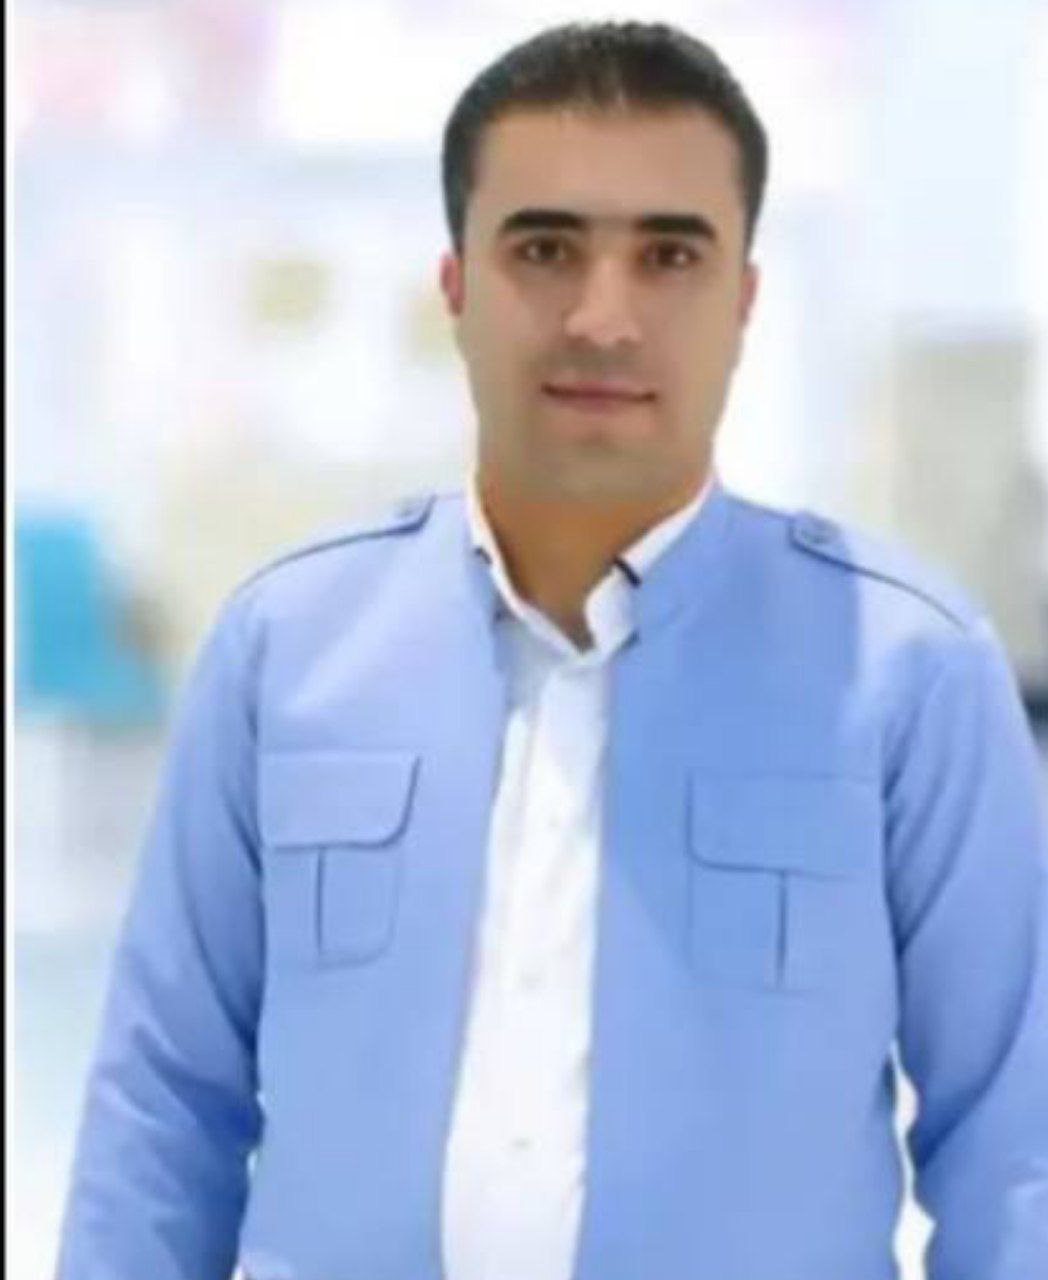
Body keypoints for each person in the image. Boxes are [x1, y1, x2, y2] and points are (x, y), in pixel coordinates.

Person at [56, 20, 1048, 1280]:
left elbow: (1016, 1146)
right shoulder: (284, 651)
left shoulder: (907, 672)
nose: (602, 315)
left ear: (743, 299)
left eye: (668, 255)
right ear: (456, 285)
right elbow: (162, 1110)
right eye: (543, 248)